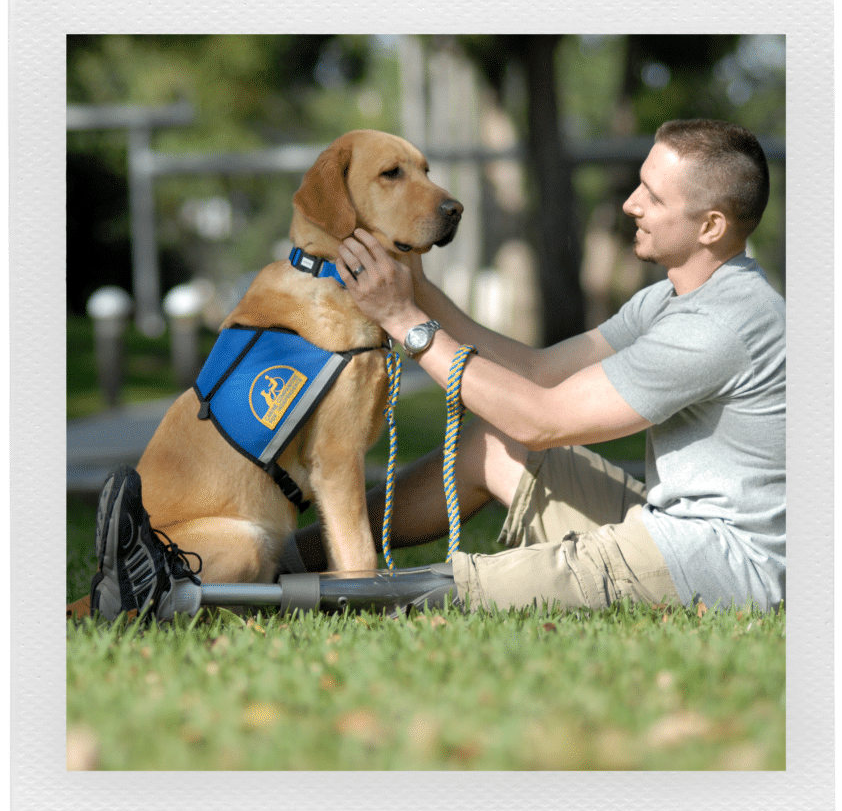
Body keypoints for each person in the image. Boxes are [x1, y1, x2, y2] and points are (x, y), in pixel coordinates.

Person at [91, 118, 785, 619]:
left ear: (712, 227)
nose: (630, 203)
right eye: (639, 184)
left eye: (653, 199)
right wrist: (410, 285)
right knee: (490, 445)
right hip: (667, 522)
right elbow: (539, 372)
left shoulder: (723, 322)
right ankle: (277, 560)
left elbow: (543, 420)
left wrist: (405, 324)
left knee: (459, 586)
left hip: (721, 566)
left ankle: (250, 591)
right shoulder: (669, 297)